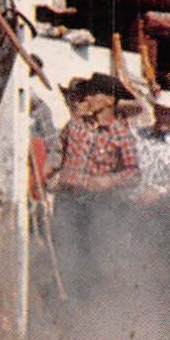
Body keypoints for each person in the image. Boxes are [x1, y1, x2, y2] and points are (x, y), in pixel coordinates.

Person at [49, 73, 140, 303]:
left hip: (97, 205)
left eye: (94, 92)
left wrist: (108, 181)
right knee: (63, 257)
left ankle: (89, 313)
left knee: (92, 262)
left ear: (110, 99)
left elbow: (133, 173)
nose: (88, 97)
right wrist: (44, 176)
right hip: (67, 200)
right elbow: (58, 153)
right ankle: (65, 315)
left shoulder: (122, 134)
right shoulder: (76, 125)